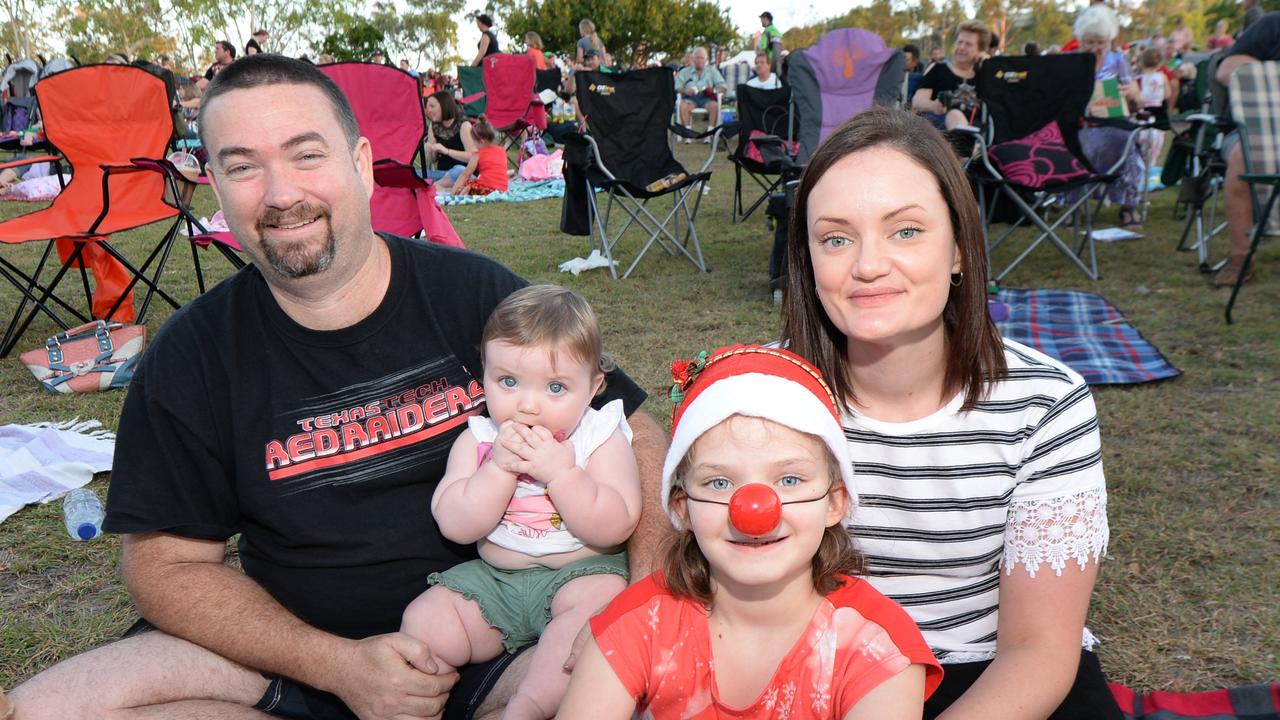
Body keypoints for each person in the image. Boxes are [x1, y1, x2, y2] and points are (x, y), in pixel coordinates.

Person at [9, 53, 669, 720]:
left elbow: (631, 428)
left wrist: (642, 604)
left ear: (359, 162)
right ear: (213, 182)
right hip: (289, 654)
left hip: (500, 638)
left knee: (644, 695)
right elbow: (165, 566)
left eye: (305, 155)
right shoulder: (191, 354)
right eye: (242, 166)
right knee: (44, 710)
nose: (279, 194)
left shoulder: (474, 295)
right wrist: (339, 666)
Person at [780, 106, 1119, 720]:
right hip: (811, 671)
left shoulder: (1046, 402)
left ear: (960, 248)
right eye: (836, 238)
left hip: (992, 675)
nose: (867, 265)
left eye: (905, 231)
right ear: (807, 259)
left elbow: (1038, 648)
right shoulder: (765, 395)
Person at [560, 344, 943, 719]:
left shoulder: (879, 648)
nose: (755, 510)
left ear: (835, 503)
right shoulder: (635, 623)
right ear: (682, 508)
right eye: (720, 483)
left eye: (789, 479)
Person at [403, 285, 641, 720]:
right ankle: (420, 703)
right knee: (426, 619)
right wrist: (496, 470)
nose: (527, 406)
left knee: (589, 623)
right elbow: (455, 524)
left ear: (593, 387)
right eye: (508, 382)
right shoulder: (479, 439)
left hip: (580, 572)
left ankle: (528, 707)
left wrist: (563, 475)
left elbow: (617, 524)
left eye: (555, 387)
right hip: (495, 580)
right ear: (484, 376)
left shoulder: (599, 436)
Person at [1211, 11, 1280, 287]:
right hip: (1252, 131)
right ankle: (1242, 257)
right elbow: (1226, 70)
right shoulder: (1272, 25)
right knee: (1245, 156)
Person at [1074, 4, 1147, 228]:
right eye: (1090, 42)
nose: (1095, 47)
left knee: (1127, 144)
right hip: (1081, 125)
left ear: (1109, 41)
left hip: (1115, 123)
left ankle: (1128, 206)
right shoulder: (1071, 62)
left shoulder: (1118, 60)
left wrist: (1132, 93)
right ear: (1080, 40)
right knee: (1075, 144)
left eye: (1101, 42)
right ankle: (1073, 206)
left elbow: (1138, 102)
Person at [911, 20, 989, 131]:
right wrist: (933, 106)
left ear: (980, 50)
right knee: (955, 114)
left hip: (976, 130)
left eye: (968, 44)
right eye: (959, 42)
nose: (961, 47)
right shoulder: (938, 69)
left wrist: (988, 64)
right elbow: (917, 101)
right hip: (940, 130)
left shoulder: (983, 76)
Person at [443, 115, 508, 196]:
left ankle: (464, 191)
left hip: (485, 189)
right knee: (476, 181)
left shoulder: (477, 155)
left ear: (481, 141)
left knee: (467, 183)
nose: (473, 144)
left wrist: (454, 191)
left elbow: (466, 174)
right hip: (502, 189)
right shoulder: (502, 151)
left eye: (473, 141)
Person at [675, 46, 727, 141]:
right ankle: (688, 135)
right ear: (693, 59)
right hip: (690, 97)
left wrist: (714, 90)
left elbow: (723, 87)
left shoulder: (712, 71)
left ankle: (709, 134)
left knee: (714, 106)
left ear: (706, 59)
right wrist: (685, 91)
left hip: (706, 97)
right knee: (683, 105)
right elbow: (677, 87)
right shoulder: (685, 72)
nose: (699, 60)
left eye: (701, 58)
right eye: (697, 57)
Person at [425, 89, 475, 186]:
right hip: (443, 173)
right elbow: (433, 160)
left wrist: (446, 151)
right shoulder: (434, 125)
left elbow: (472, 156)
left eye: (432, 106)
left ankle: (435, 186)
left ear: (444, 106)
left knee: (458, 169)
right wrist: (430, 151)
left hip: (462, 173)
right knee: (417, 174)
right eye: (428, 106)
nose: (429, 110)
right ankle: (441, 185)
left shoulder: (463, 125)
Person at [1136, 48, 1171, 164]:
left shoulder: (1138, 79)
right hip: (1157, 114)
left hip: (1142, 114)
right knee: (1156, 145)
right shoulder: (1162, 77)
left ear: (1141, 62)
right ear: (1160, 63)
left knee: (1139, 145)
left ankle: (1139, 167)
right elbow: (1167, 95)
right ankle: (1151, 166)